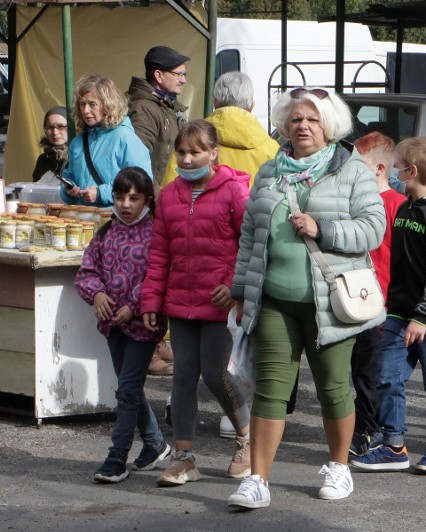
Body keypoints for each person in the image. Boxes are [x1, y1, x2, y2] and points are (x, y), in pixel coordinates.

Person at [227, 87, 385, 508]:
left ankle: (339, 466)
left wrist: (325, 230)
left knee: (334, 388)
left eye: (312, 119)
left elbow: (373, 228)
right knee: (269, 390)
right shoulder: (268, 171)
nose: (303, 126)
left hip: (332, 302)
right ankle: (258, 479)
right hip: (275, 300)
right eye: (296, 119)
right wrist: (242, 289)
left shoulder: (352, 170)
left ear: (329, 125)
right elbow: (250, 236)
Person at [140, 120, 252, 487]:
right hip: (179, 303)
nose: (187, 159)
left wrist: (234, 287)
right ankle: (184, 458)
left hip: (220, 303)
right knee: (183, 377)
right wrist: (151, 300)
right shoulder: (169, 195)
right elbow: (159, 254)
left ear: (213, 152)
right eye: (182, 152)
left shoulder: (234, 191)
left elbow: (250, 244)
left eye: (196, 152)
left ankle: (246, 439)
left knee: (216, 374)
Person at [350, 136, 426, 474]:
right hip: (398, 312)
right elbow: (398, 266)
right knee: (387, 377)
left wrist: (423, 316)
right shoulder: (404, 208)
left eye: (399, 166)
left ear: (412, 171)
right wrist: (389, 308)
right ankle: (393, 445)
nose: (396, 172)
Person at [75, 167, 170, 484]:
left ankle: (116, 459)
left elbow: (160, 276)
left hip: (145, 326)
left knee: (127, 391)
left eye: (134, 198)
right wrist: (97, 293)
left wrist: (135, 304)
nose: (126, 204)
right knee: (131, 389)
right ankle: (155, 445)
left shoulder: (157, 234)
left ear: (147, 200)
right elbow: (87, 271)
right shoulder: (105, 233)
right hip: (112, 326)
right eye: (119, 197)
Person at [347, 131, 406, 455]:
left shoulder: (397, 206)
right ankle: (364, 426)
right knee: (358, 370)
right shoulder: (352, 203)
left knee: (373, 374)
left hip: (382, 303)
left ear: (380, 169)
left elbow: (401, 258)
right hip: (352, 300)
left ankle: (367, 429)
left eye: (359, 167)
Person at [161, 71, 280, 189]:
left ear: (215, 102)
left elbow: (169, 189)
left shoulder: (188, 141)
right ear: (251, 107)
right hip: (252, 208)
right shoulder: (272, 149)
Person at [60, 75, 152, 207]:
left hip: (116, 220)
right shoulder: (77, 142)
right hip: (83, 220)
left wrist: (101, 193)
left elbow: (141, 181)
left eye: (92, 104)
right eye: (82, 104)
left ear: (108, 105)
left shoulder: (124, 137)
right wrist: (69, 189)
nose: (86, 111)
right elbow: (69, 176)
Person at [128, 46, 190, 194]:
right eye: (178, 74)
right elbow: (138, 164)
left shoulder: (169, 105)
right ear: (159, 75)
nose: (184, 80)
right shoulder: (144, 109)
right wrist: (158, 200)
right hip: (155, 200)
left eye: (184, 74)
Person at [33, 107, 69, 182]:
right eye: (50, 127)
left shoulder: (79, 157)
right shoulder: (43, 159)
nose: (55, 132)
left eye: (61, 127)